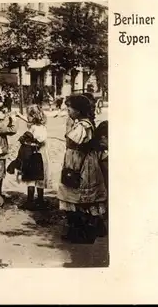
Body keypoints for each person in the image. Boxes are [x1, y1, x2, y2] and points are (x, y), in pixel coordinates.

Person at [57, 94, 107, 244]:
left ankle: (83, 233)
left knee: (79, 199)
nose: (68, 111)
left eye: (69, 108)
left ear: (78, 110)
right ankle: (91, 229)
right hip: (82, 162)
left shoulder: (82, 126)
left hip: (80, 165)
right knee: (83, 200)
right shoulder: (84, 123)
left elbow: (71, 141)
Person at [17, 104, 50, 209]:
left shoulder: (34, 128)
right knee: (40, 178)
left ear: (33, 117)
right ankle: (40, 200)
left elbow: (39, 140)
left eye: (29, 116)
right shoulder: (41, 126)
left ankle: (30, 201)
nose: (28, 118)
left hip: (35, 155)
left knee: (31, 178)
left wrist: (29, 141)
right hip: (42, 154)